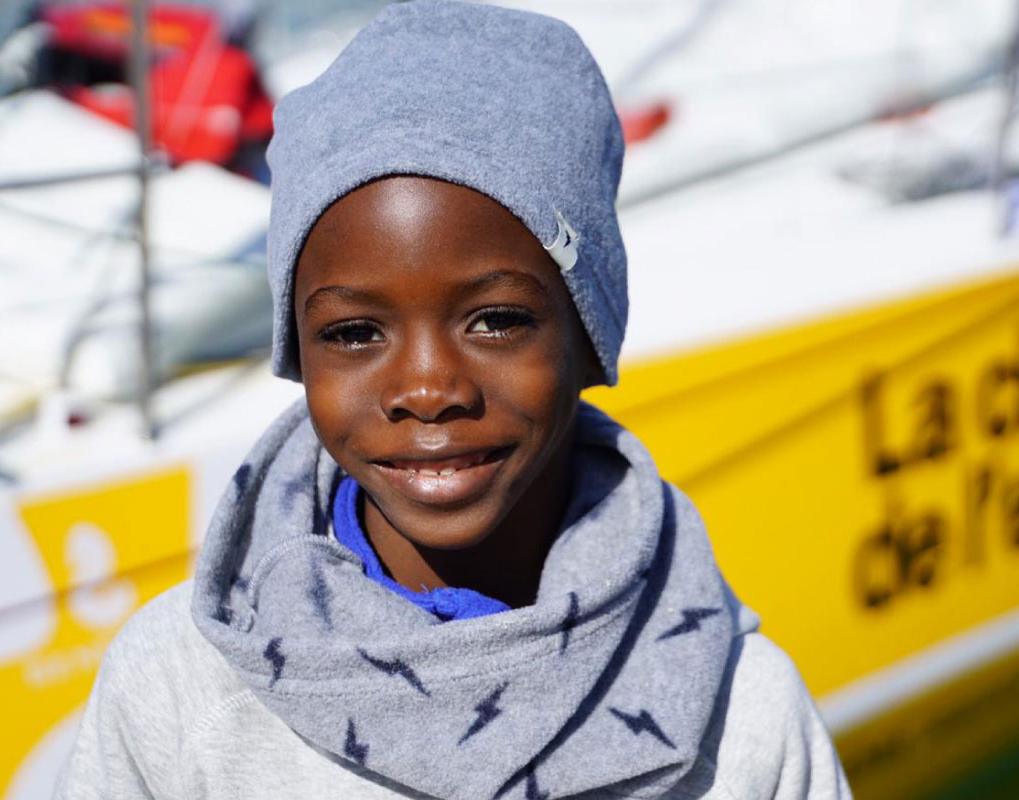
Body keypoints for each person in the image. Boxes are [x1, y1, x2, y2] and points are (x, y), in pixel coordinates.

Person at [55, 2, 850, 798]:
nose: (429, 390)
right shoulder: (179, 687)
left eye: (498, 321)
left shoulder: (740, 711)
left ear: (589, 330)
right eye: (355, 333)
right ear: (298, 349)